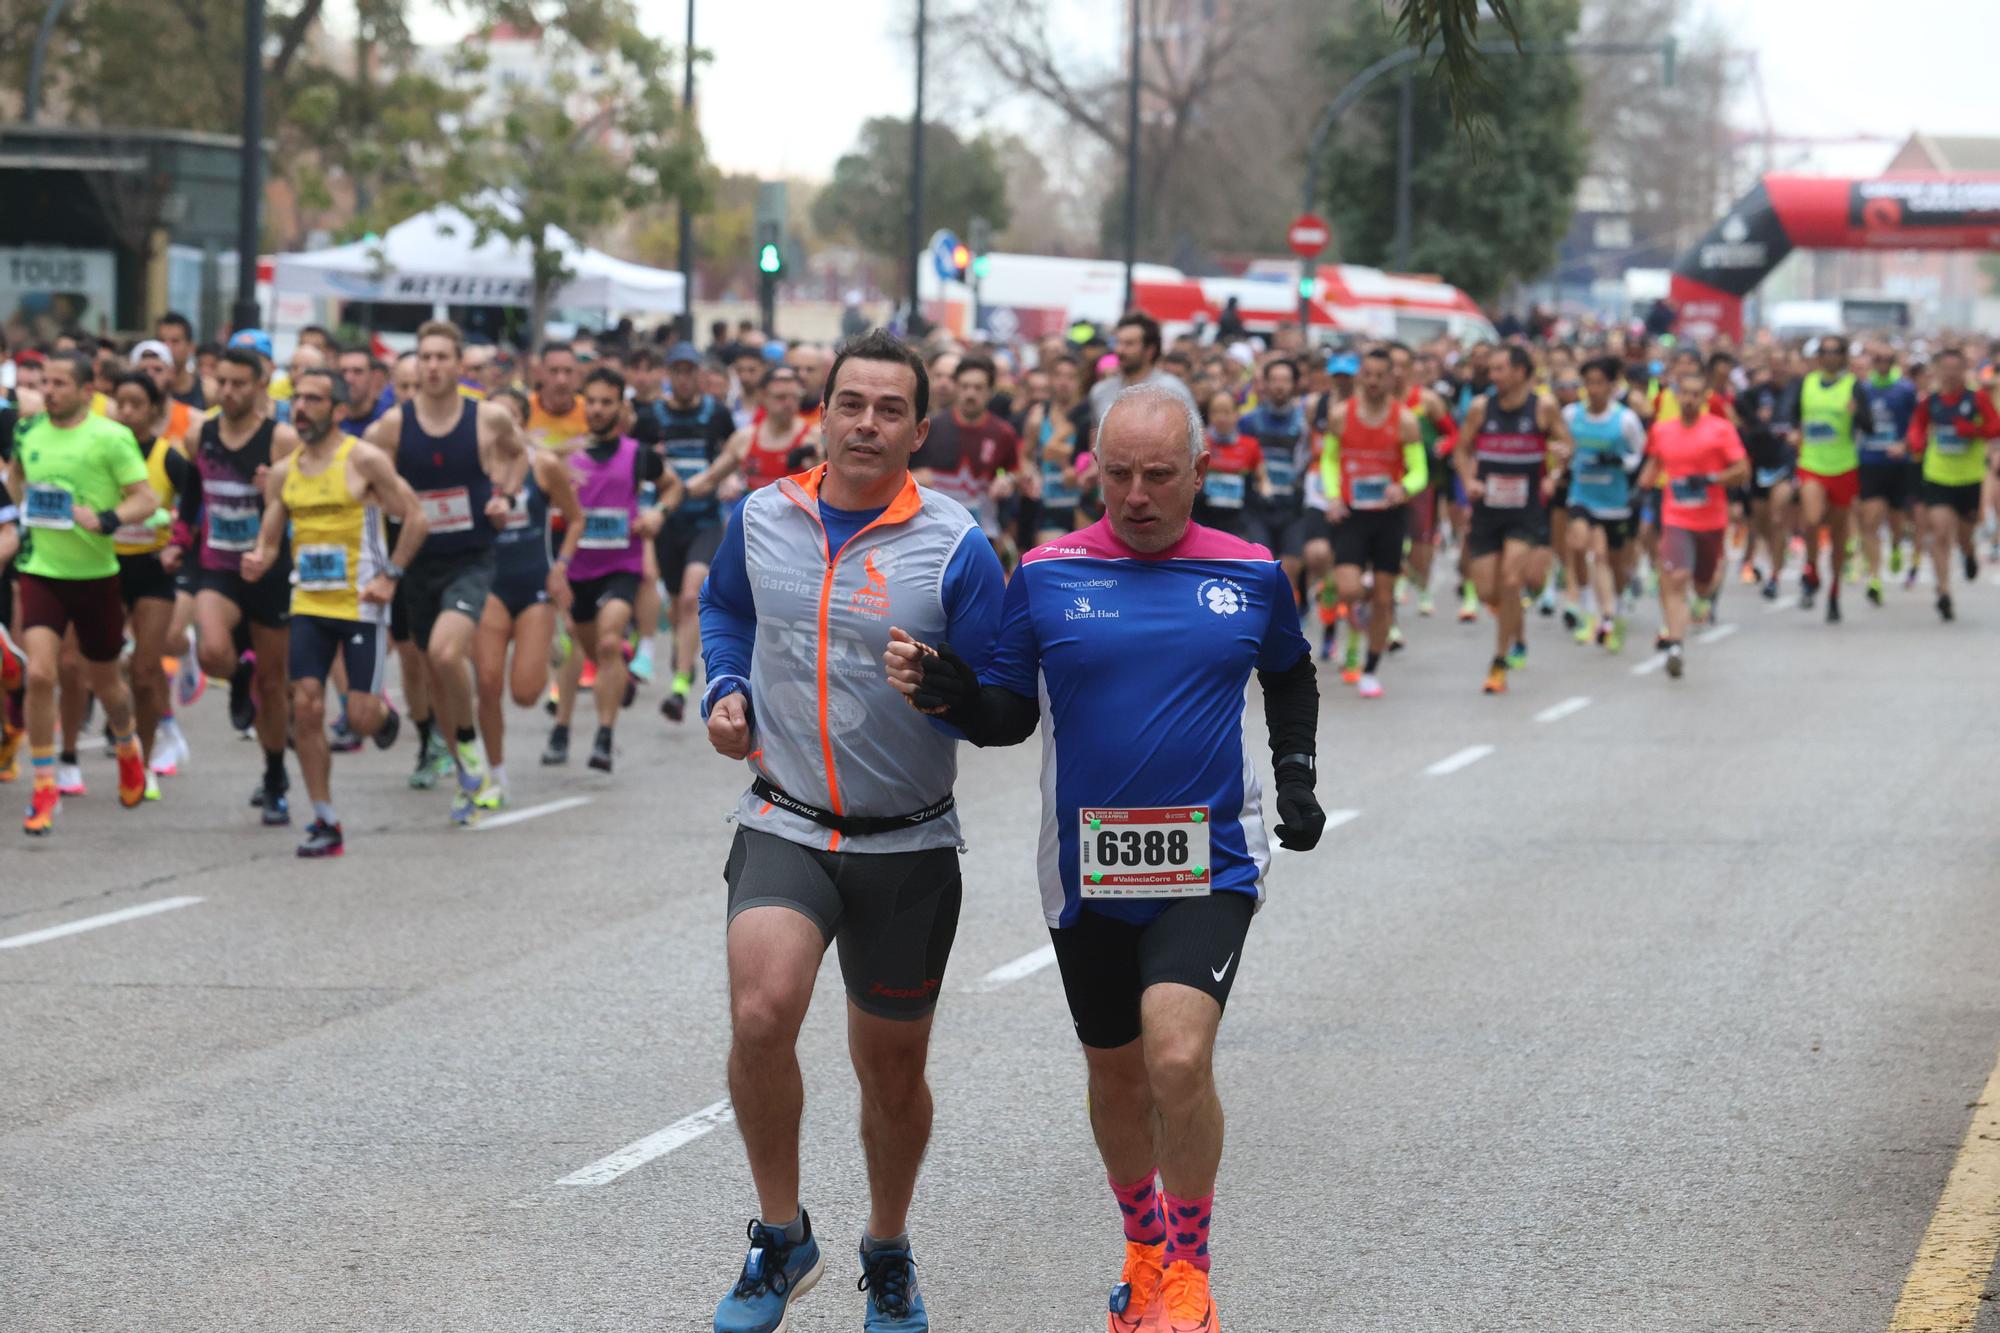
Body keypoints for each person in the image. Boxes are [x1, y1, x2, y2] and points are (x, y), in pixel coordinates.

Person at [882, 380, 1327, 1333]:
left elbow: (1288, 670)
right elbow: (1007, 712)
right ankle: (1142, 1246)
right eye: (1118, 473)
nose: (1136, 494)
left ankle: (1192, 1271)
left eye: (1159, 475)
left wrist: (1294, 774)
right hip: (1085, 868)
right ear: (1093, 469)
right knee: (1118, 1073)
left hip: (1208, 860)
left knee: (1176, 1054)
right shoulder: (1046, 572)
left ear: (1201, 472)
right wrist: (950, 692)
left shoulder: (1250, 573)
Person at [699, 329, 1006, 1333]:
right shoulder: (759, 518)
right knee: (760, 1011)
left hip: (906, 845)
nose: (864, 423)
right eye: (848, 404)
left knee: (891, 1071)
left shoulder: (955, 545)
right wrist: (726, 686)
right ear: (819, 413)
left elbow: (1007, 703)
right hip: (786, 818)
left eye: (887, 410)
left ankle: (885, 1247)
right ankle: (781, 1235)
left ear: (920, 428)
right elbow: (723, 613)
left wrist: (951, 691)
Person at [242, 368, 425, 855]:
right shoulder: (284, 472)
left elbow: (417, 519)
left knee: (360, 717)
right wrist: (258, 558)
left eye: (314, 399)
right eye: (297, 398)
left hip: (361, 604)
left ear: (339, 411)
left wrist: (391, 575)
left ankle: (381, 718)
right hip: (308, 603)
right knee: (306, 705)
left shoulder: (364, 460)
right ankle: (325, 820)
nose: (300, 408)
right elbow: (270, 535)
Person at [363, 320, 530, 826]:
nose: (433, 366)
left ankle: (467, 743)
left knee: (444, 650)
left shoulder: (488, 419)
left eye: (442, 357)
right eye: (425, 357)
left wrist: (504, 495)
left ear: (459, 365)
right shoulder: (393, 426)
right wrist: (387, 504)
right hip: (414, 563)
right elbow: (359, 472)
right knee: (434, 668)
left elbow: (520, 454)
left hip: (470, 560)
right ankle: (466, 771)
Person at [9, 351, 157, 833]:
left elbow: (146, 498)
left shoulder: (110, 438)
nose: (47, 391)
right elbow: (16, 482)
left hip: (95, 575)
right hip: (42, 570)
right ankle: (45, 787)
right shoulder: (28, 433)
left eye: (58, 383)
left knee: (109, 684)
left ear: (85, 391)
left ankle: (128, 744)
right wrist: (22, 514)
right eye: (44, 382)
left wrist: (106, 519)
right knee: (41, 675)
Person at [170, 347, 302, 821]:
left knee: (274, 682)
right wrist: (178, 542)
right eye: (221, 382)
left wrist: (276, 490)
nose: (228, 392)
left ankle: (273, 777)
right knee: (211, 652)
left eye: (238, 384)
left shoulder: (281, 438)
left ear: (260, 384)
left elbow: (299, 506)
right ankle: (238, 676)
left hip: (268, 569)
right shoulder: (200, 434)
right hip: (218, 565)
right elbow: (192, 496)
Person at [540, 367, 675, 773]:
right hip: (577, 568)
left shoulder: (638, 456)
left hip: (622, 566)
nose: (598, 409)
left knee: (608, 641)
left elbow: (673, 486)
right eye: (592, 401)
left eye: (606, 402)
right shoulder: (566, 456)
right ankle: (562, 728)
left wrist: (658, 513)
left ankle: (603, 735)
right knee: (579, 648)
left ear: (620, 406)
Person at [474, 388, 583, 804]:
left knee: (524, 692)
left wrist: (562, 566)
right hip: (488, 583)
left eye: (508, 418)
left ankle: (557, 645)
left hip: (534, 582)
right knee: (486, 682)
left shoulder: (543, 466)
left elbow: (574, 518)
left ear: (520, 422)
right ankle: (495, 773)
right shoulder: (476, 467)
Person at [1455, 345, 1572, 694]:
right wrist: (1468, 481)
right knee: (1489, 589)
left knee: (1512, 578)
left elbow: (1566, 444)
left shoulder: (1543, 407)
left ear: (1521, 372)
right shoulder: (1480, 408)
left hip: (1527, 509)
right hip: (1488, 510)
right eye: (1491, 370)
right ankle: (1514, 626)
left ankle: (1499, 661)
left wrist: (1558, 467)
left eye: (1499, 369)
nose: (1493, 376)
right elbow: (1462, 449)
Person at [1320, 348, 1425, 698]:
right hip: (1352, 513)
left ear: (1392, 378)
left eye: (1382, 375)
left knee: (1383, 598)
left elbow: (1419, 470)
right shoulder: (1340, 415)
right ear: (1360, 375)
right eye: (1369, 374)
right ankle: (1359, 604)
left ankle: (1370, 668)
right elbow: (1330, 460)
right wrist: (1333, 495)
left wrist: (1404, 487)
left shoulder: (1404, 420)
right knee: (1348, 589)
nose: (1375, 381)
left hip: (1389, 517)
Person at [642, 341, 736, 724]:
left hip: (705, 520)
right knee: (674, 599)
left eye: (690, 370)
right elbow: (638, 464)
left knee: (689, 594)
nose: (683, 378)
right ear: (669, 374)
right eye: (677, 370)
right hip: (667, 522)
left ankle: (680, 685)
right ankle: (683, 654)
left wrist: (728, 480)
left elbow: (732, 455)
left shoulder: (718, 414)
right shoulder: (651, 417)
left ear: (700, 375)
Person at [107, 372, 190, 796]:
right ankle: (123, 737)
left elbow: (195, 503)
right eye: (119, 402)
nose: (125, 411)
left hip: (153, 571)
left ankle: (143, 760)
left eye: (135, 403)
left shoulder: (167, 458)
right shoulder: (100, 451)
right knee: (98, 666)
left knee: (144, 671)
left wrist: (178, 537)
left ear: (155, 411)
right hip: (105, 567)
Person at [1638, 366, 1749, 678]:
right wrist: (1640, 491)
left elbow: (1742, 469)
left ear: (1704, 399)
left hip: (1711, 519)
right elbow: (1655, 463)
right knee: (1675, 578)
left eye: (1695, 395)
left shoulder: (1720, 430)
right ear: (1676, 396)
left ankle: (1706, 596)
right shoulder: (1663, 430)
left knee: (1701, 584)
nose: (1689, 400)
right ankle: (1675, 643)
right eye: (1684, 394)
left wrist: (1711, 478)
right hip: (1676, 516)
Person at [1560, 356, 1647, 652]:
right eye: (1588, 383)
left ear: (1612, 386)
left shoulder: (1625, 420)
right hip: (1581, 495)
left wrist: (1618, 461)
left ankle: (1618, 609)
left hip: (1616, 501)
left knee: (1615, 562)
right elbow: (1561, 446)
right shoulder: (1572, 416)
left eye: (1599, 383)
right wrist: (1561, 460)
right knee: (1584, 545)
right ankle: (1587, 608)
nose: (1593, 390)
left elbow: (1640, 455)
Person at [1908, 347, 2000, 622]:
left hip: (1969, 479)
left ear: (1963, 370)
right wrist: (1916, 442)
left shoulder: (1977, 399)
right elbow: (1917, 427)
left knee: (1962, 535)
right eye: (1944, 368)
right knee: (1940, 532)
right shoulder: (1930, 401)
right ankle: (1943, 592)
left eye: (1955, 368)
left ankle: (1969, 553)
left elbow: (1995, 427)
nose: (1950, 373)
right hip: (1937, 476)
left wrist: (1971, 430)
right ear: (1937, 370)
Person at [1794, 334, 1875, 623]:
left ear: (1843, 356)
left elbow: (1870, 425)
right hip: (1812, 463)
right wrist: (1793, 433)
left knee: (1840, 533)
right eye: (1824, 351)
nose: (1829, 356)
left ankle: (1834, 591)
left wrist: (1857, 415)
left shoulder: (1854, 386)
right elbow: (1791, 416)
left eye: (1835, 351)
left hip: (1843, 465)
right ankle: (1812, 568)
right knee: (1813, 519)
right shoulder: (1807, 383)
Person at [910, 354, 1022, 559]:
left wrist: (1007, 480)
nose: (971, 393)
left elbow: (1015, 470)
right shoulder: (932, 427)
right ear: (956, 387)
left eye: (978, 388)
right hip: (932, 531)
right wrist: (921, 478)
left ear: (990, 391)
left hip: (982, 534)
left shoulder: (1003, 432)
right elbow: (904, 473)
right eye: (965, 386)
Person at [1855, 343, 1919, 607]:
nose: (1881, 363)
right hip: (1870, 461)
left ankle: (1895, 546)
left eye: (1886, 359)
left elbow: (1918, 422)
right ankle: (1875, 578)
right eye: (1877, 359)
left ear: (1892, 361)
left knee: (1895, 520)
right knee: (1870, 520)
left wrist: (1904, 444)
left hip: (1897, 464)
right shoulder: (1863, 389)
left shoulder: (1905, 389)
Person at [1087, 313, 1196, 427]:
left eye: (1129, 344)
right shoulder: (1101, 391)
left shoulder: (1173, 390)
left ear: (1150, 350)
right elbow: (1095, 440)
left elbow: (1195, 438)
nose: (1120, 350)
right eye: (1118, 342)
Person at [1192, 388, 1266, 541]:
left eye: (1226, 412)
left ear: (1236, 414)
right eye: (1215, 412)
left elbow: (1263, 479)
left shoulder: (1250, 445)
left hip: (1239, 518)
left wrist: (1265, 487)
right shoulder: (1198, 443)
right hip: (1204, 515)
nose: (1221, 418)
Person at [155, 312, 211, 409]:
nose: (167, 347)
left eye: (175, 341)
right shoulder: (146, 391)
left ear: (190, 347)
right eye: (161, 341)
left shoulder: (208, 392)